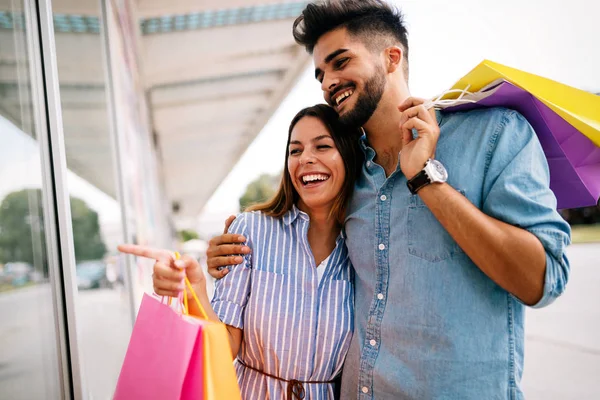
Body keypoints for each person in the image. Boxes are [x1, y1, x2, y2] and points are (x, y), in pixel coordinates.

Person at [205, 1, 572, 399]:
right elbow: (294, 247)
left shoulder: (494, 134)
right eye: (321, 74)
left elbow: (543, 279)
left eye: (340, 62)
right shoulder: (347, 174)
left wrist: (426, 179)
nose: (329, 82)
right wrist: (229, 251)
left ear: (392, 57)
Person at [118, 104, 364, 399]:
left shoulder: (362, 247)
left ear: (350, 155)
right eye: (295, 151)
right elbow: (224, 348)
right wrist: (194, 288)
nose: (306, 159)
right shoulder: (251, 231)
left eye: (323, 146)